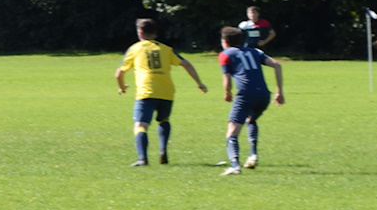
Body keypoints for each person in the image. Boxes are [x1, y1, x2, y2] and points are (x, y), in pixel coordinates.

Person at [114, 18, 207, 166]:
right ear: (155, 33)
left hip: (147, 91)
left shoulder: (135, 49)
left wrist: (122, 87)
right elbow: (186, 64)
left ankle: (142, 158)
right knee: (164, 120)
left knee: (140, 125)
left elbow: (119, 74)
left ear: (140, 33)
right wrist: (199, 83)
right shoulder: (166, 49)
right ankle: (163, 149)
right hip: (167, 91)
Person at [218, 25, 286, 175]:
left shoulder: (225, 54)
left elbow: (227, 81)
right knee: (251, 119)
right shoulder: (255, 51)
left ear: (225, 41)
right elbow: (277, 65)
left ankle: (235, 165)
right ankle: (253, 155)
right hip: (264, 95)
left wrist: (227, 92)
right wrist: (279, 92)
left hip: (245, 95)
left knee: (232, 132)